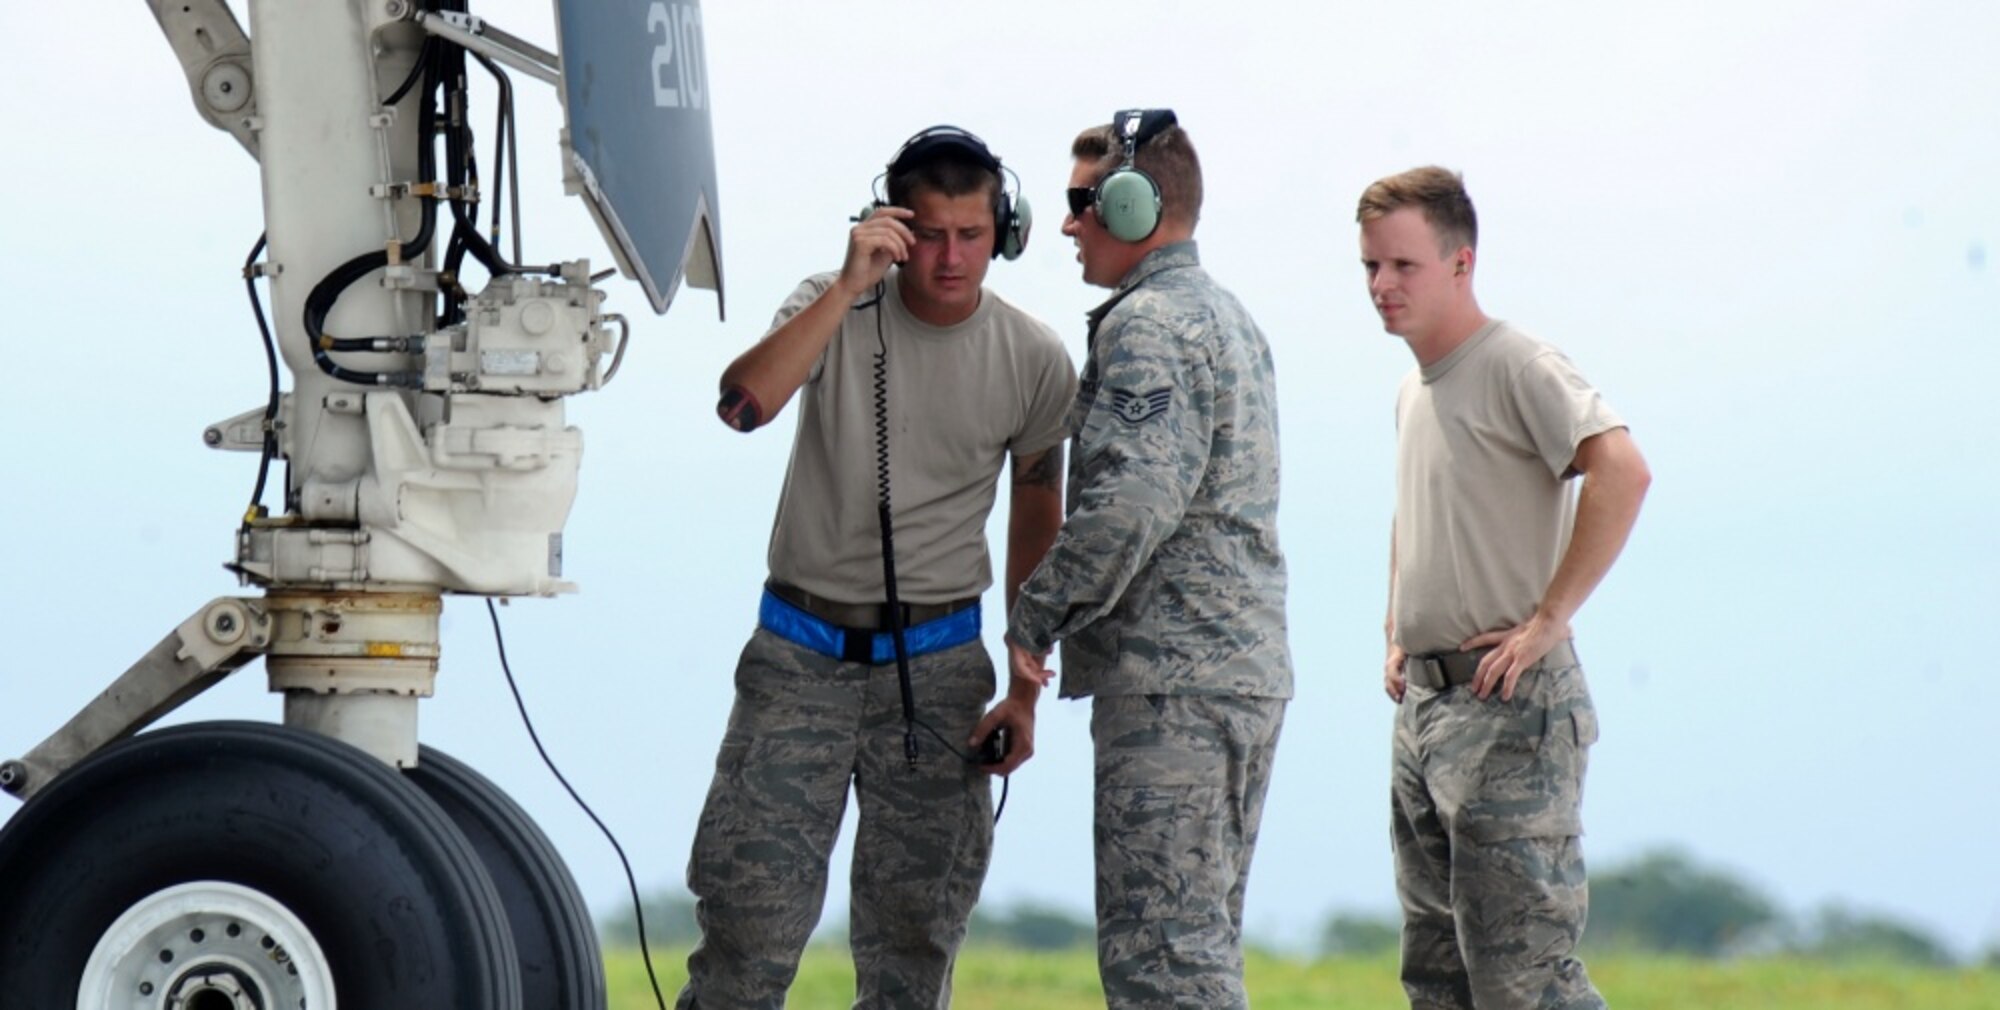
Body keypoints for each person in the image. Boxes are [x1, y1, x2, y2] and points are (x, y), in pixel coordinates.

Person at [682, 125, 1076, 1010]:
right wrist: (851, 284)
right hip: (798, 661)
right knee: (747, 929)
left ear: (1002, 233)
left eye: (971, 235)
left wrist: (1024, 684)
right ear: (889, 227)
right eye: (929, 234)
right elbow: (742, 406)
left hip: (936, 672)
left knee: (914, 945)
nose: (949, 258)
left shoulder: (1034, 357)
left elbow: (1036, 513)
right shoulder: (829, 304)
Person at [994, 109, 1290, 1010]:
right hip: (1225, 681)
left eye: (1085, 202)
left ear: (1135, 208)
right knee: (1193, 948)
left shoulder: (1149, 325)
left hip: (1173, 687)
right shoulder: (1226, 317)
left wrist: (1034, 619)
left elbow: (1130, 502)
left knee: (1163, 966)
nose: (1069, 224)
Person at [1357, 166, 1652, 1010]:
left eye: (1403, 266)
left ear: (1461, 263)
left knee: (1525, 982)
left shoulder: (1516, 361)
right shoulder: (1416, 386)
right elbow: (1415, 512)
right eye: (1371, 267)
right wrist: (1394, 632)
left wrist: (1549, 619)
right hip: (1424, 710)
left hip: (1510, 705)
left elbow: (1622, 470)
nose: (1382, 285)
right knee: (1437, 979)